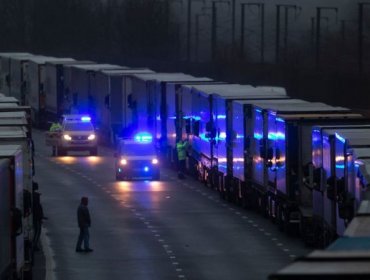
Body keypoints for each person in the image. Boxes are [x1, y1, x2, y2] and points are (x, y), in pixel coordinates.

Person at [32, 182, 47, 251]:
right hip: (36, 217)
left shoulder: (33, 196)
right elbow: (38, 208)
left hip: (36, 216)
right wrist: (41, 217)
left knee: (36, 231)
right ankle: (34, 244)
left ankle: (34, 244)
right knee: (37, 231)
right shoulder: (35, 197)